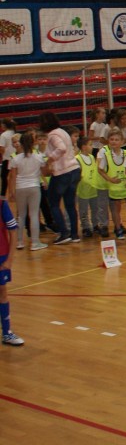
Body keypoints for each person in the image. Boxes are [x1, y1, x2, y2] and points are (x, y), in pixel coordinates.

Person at [39, 111, 80, 245]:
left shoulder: (52, 135)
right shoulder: (63, 132)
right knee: (70, 204)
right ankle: (74, 234)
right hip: (74, 170)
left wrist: (49, 160)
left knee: (53, 203)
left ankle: (64, 233)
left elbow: (61, 148)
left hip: (63, 173)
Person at [7, 132, 45, 251]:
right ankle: (35, 242)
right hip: (34, 187)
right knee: (33, 214)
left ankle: (19, 242)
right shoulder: (39, 157)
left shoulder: (15, 159)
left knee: (21, 215)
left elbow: (12, 177)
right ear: (33, 143)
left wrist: (11, 192)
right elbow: (44, 172)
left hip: (20, 188)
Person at [0, 196, 24, 346]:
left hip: (1, 256)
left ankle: (7, 333)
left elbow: (13, 231)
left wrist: (9, 259)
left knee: (2, 292)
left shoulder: (2, 204)